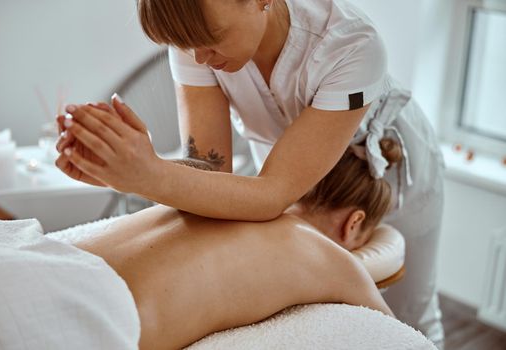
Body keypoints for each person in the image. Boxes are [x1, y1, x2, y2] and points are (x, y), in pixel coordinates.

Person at [55, 0, 445, 346]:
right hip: (292, 174)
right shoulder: (196, 45)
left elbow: (273, 194)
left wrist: (148, 173)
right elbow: (211, 171)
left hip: (395, 170)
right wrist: (121, 172)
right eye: (187, 44)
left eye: (213, 38)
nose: (198, 57)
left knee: (414, 308)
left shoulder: (350, 46)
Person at [73, 138, 401, 349]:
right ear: (354, 223)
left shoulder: (214, 196)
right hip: (95, 327)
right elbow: (397, 335)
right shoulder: (323, 254)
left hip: (51, 267)